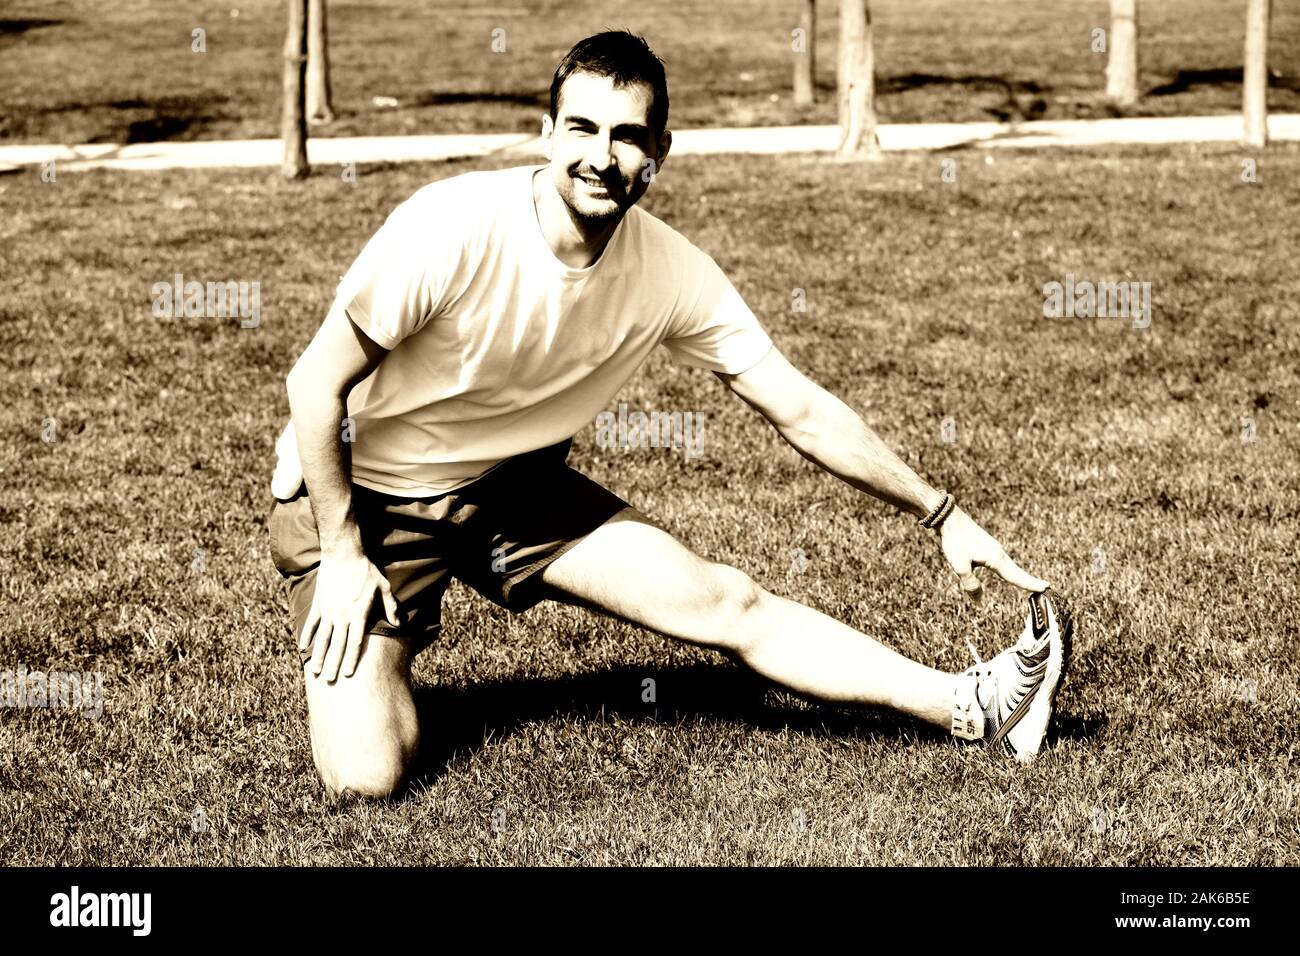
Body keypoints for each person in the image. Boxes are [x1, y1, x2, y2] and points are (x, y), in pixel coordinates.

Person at [267, 30, 1073, 799]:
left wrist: (942, 513)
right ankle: (378, 659)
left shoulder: (671, 272)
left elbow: (797, 407)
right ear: (546, 135)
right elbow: (314, 387)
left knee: (726, 602)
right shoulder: (452, 228)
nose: (601, 156)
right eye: (581, 128)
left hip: (510, 487)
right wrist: (340, 551)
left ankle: (976, 704)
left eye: (627, 136)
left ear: (660, 152)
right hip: (365, 498)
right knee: (366, 777)